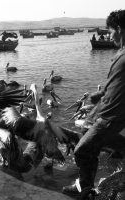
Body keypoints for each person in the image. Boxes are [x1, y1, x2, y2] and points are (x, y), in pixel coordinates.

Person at [62, 9, 125, 197]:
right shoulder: (120, 53)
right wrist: (99, 94)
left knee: (82, 150)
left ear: (120, 28)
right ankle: (85, 185)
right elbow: (115, 83)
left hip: (113, 116)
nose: (109, 35)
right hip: (105, 112)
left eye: (111, 31)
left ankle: (85, 188)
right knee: (85, 134)